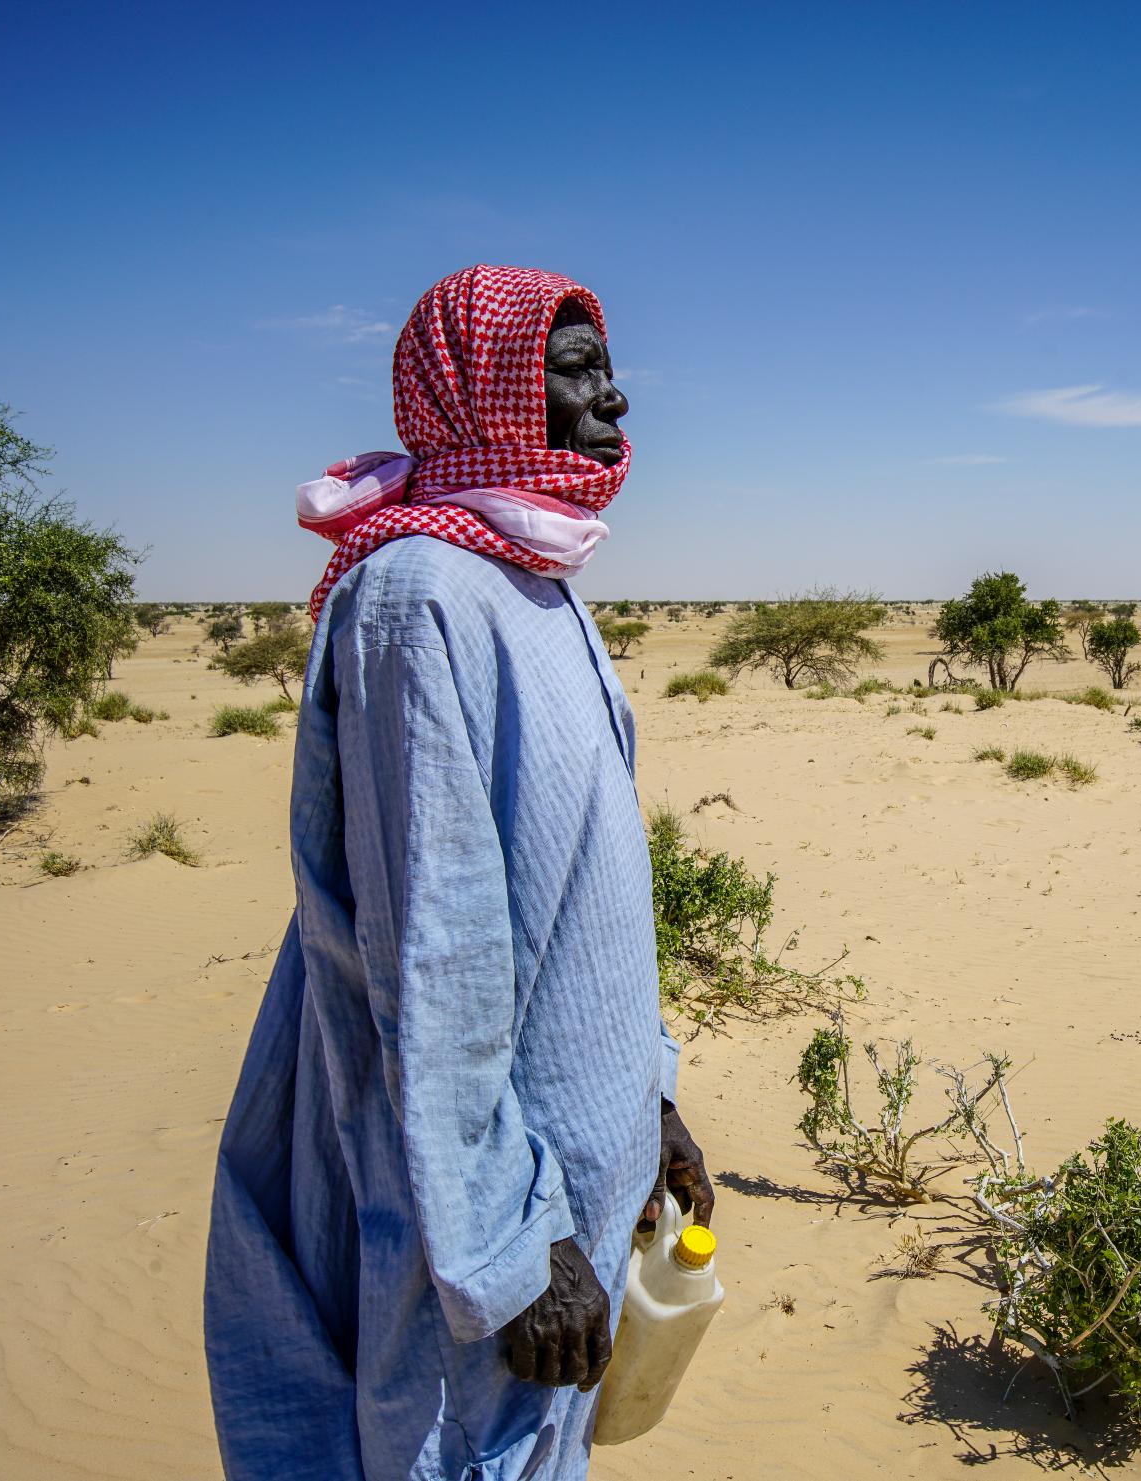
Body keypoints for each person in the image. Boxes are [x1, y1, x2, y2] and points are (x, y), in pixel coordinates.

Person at [204, 264, 713, 1481]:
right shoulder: (417, 595)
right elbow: (438, 956)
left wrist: (649, 1099)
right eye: (577, 371)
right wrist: (507, 1250)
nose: (616, 401)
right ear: (484, 387)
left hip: (568, 1202)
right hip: (481, 1233)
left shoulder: (534, 585)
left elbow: (575, 901)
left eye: (607, 369)